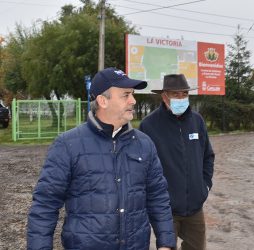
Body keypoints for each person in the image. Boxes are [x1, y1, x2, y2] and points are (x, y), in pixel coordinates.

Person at [27, 67, 175, 250]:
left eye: (133, 94)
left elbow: (158, 197)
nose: (133, 100)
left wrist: (166, 243)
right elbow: (45, 205)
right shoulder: (67, 144)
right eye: (126, 95)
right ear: (103, 101)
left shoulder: (144, 144)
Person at [139, 74, 215, 250]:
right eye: (176, 94)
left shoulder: (197, 121)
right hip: (166, 209)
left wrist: (205, 186)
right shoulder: (149, 125)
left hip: (195, 207)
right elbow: (143, 168)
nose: (181, 98)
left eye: (184, 94)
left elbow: (208, 156)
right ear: (164, 96)